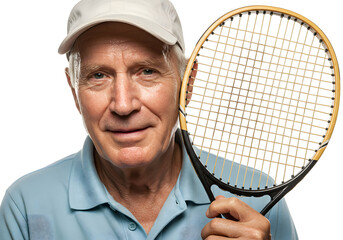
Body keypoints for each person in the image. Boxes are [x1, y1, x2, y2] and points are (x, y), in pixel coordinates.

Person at [0, 0, 298, 239]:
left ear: (187, 83)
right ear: (74, 90)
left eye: (147, 71)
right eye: (98, 75)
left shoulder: (257, 200)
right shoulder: (26, 206)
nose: (123, 104)